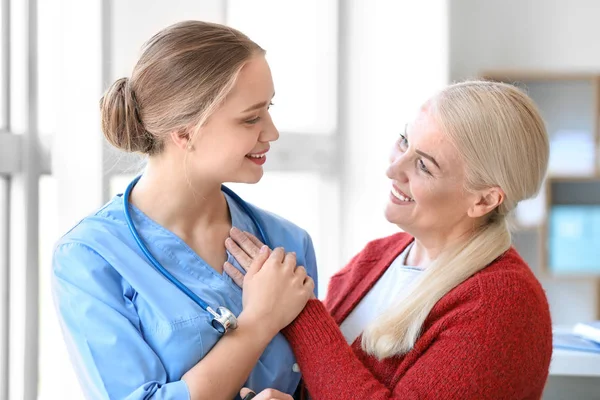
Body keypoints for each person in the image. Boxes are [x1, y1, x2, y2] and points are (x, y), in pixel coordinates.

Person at [225, 80, 553, 400]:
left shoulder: (502, 304)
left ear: (483, 200)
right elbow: (326, 379)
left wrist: (299, 312)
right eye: (403, 140)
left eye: (424, 166)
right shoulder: (377, 258)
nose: (394, 168)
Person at [51, 20, 317, 400]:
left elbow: (317, 385)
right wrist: (259, 322)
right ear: (185, 131)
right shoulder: (91, 258)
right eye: (251, 117)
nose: (271, 132)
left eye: (268, 109)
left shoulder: (288, 244)